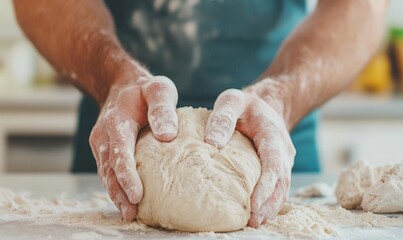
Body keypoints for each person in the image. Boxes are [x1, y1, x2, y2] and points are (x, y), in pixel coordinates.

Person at [13, 0, 386, 227]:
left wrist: (280, 97)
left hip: (273, 139)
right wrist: (113, 76)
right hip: (119, 136)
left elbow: (362, 7)